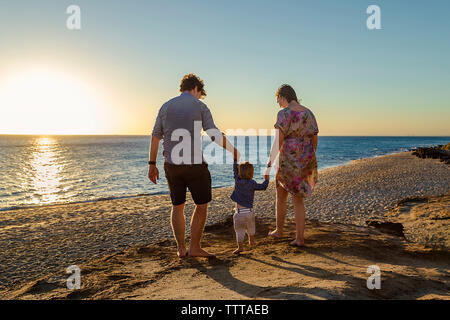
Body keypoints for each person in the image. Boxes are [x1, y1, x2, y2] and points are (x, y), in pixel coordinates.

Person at [148, 73, 240, 258]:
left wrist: (152, 164)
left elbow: (156, 136)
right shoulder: (199, 106)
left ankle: (181, 249)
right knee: (201, 205)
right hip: (194, 165)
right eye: (200, 93)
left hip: (171, 165)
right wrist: (234, 151)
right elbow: (214, 134)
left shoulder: (165, 106)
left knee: (177, 206)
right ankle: (195, 247)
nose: (199, 96)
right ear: (196, 88)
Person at [264, 84, 319, 247]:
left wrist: (269, 163)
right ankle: (298, 237)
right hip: (306, 158)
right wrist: (308, 156)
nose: (279, 104)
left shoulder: (284, 113)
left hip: (288, 158)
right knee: (298, 199)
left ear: (282, 97)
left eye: (278, 100)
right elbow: (314, 138)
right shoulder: (309, 113)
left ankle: (280, 231)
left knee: (280, 195)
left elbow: (278, 140)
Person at [230, 161, 269, 254]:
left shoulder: (237, 181)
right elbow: (263, 187)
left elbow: (234, 171)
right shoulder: (252, 183)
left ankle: (240, 247)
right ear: (252, 173)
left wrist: (235, 160)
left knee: (239, 230)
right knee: (251, 227)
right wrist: (266, 179)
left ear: (239, 172)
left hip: (239, 213)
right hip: (250, 212)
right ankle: (251, 240)